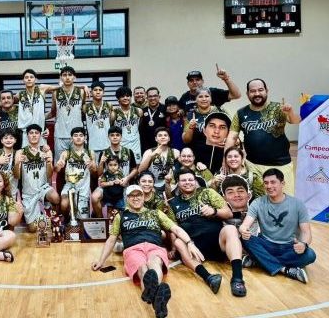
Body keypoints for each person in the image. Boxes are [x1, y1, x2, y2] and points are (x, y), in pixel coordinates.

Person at [91, 184, 203, 318]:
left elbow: (175, 229)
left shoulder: (156, 213)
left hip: (154, 246)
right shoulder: (121, 216)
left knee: (154, 263)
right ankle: (158, 302)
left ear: (143, 197)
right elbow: (112, 239)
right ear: (127, 198)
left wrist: (190, 243)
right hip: (133, 248)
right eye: (132, 196)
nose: (135, 198)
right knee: (142, 268)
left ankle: (151, 296)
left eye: (138, 195)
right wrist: (101, 261)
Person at [167, 168, 247, 297]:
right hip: (194, 249)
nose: (187, 182)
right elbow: (173, 228)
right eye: (183, 180)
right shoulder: (173, 203)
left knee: (231, 229)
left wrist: (214, 211)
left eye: (190, 179)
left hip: (217, 242)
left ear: (195, 180)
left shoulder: (207, 192)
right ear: (178, 183)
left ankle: (237, 278)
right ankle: (208, 278)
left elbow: (228, 213)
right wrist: (173, 248)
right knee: (178, 242)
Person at [239, 168, 316, 284]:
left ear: (282, 183)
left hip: (289, 247)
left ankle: (259, 260)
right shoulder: (258, 203)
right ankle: (285, 270)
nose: (269, 186)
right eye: (266, 183)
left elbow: (306, 232)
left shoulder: (298, 204)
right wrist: (243, 230)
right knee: (245, 239)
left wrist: (304, 244)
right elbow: (244, 225)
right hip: (266, 244)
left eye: (273, 182)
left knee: (310, 255)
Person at [225, 79, 301, 195]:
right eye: (253, 91)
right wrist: (225, 158)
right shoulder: (241, 113)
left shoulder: (278, 108)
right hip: (253, 166)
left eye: (260, 90)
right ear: (247, 93)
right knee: (259, 200)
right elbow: (232, 137)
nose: (257, 94)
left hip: (281, 165)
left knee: (285, 199)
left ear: (266, 91)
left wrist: (290, 112)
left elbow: (295, 120)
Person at [14, 124, 60, 231]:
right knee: (32, 229)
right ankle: (41, 216)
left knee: (55, 197)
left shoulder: (46, 151)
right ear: (27, 136)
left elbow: (49, 175)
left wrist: (49, 163)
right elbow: (17, 176)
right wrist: (17, 163)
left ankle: (53, 218)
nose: (34, 135)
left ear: (40, 135)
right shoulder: (20, 152)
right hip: (29, 193)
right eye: (31, 133)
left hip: (43, 188)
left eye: (36, 133)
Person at [55, 127, 97, 219]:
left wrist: (91, 165)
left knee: (83, 220)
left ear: (85, 138)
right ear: (71, 138)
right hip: (69, 186)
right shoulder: (66, 153)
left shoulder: (90, 153)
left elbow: (95, 172)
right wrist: (59, 165)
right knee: (64, 204)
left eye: (81, 135)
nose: (78, 137)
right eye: (75, 135)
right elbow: (57, 169)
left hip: (83, 188)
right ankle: (66, 220)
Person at [183, 93, 229, 173]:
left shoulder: (230, 153)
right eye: (212, 126)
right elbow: (186, 139)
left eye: (222, 127)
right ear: (204, 130)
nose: (216, 131)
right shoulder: (194, 152)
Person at [52, 66, 87, 162]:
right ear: (60, 78)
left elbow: (83, 110)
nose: (67, 77)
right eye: (64, 75)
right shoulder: (55, 93)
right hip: (60, 134)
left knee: (77, 162)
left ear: (74, 77)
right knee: (60, 163)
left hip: (77, 134)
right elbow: (53, 112)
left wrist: (84, 86)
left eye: (70, 75)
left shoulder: (81, 92)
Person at [17, 69, 57, 147]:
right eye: (26, 77)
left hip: (40, 131)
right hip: (26, 133)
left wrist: (82, 86)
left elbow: (61, 87)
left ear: (36, 79)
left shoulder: (41, 88)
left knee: (42, 153)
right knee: (26, 154)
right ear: (23, 80)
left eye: (31, 77)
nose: (29, 79)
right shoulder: (20, 94)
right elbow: (6, 103)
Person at [139, 127, 180, 194]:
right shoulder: (149, 152)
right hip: (152, 186)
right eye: (160, 135)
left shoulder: (175, 152)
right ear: (156, 139)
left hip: (171, 185)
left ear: (169, 138)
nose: (163, 137)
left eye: (165, 135)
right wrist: (151, 156)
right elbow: (140, 170)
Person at [112, 86, 143, 163]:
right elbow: (111, 128)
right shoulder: (114, 113)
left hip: (135, 144)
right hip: (121, 144)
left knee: (137, 165)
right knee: (122, 165)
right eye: (122, 96)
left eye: (127, 96)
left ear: (131, 97)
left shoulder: (138, 111)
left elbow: (140, 125)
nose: (125, 98)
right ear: (118, 99)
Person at [83, 80, 113, 162]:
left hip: (107, 144)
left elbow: (111, 123)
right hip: (92, 145)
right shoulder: (86, 107)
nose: (98, 92)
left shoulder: (109, 105)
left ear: (104, 92)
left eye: (100, 90)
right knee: (94, 168)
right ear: (91, 92)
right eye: (95, 90)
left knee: (107, 167)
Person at [139, 87, 167, 154]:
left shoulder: (165, 109)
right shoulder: (142, 111)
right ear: (146, 98)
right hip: (146, 148)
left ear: (159, 97)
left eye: (155, 96)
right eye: (150, 96)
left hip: (162, 147)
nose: (152, 98)